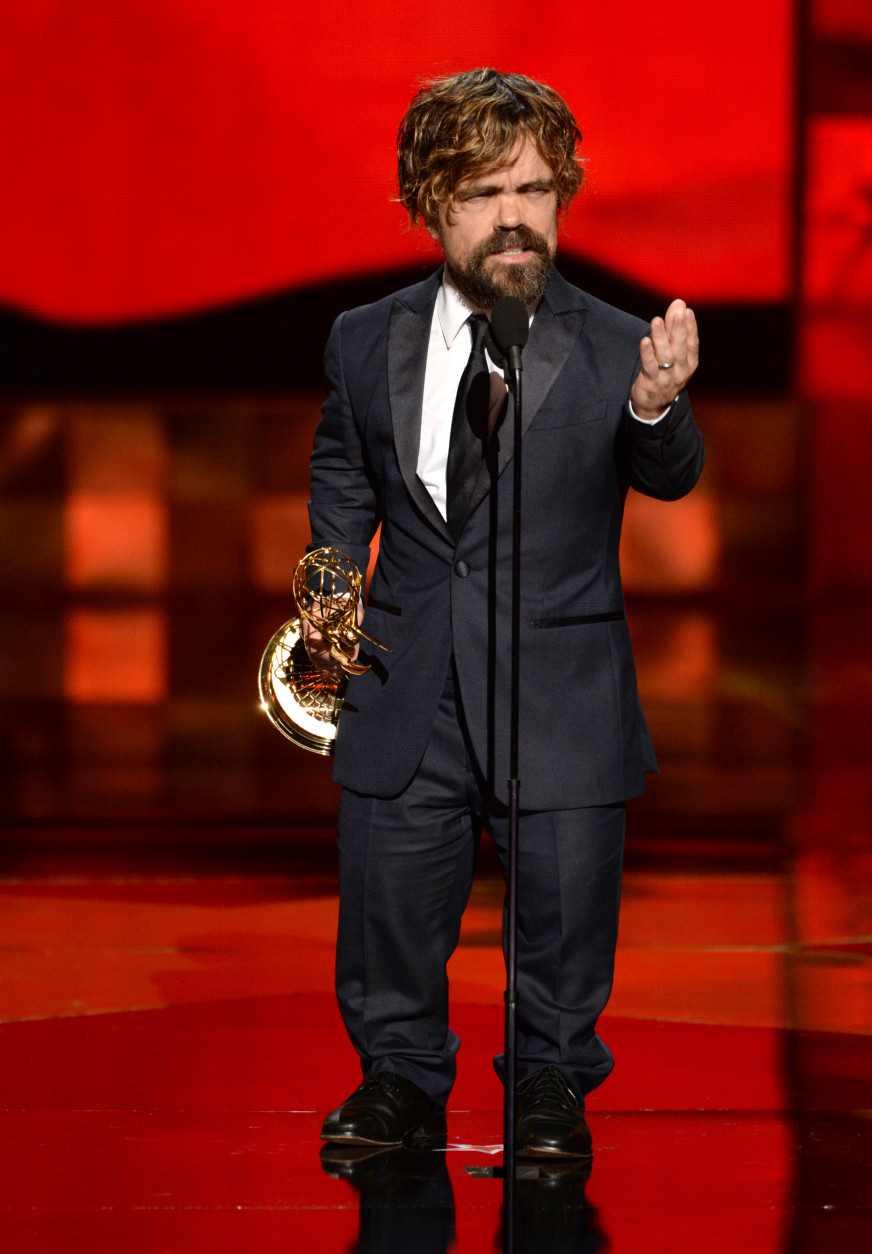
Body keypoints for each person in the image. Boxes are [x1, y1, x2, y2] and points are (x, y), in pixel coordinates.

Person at [303, 67, 704, 1158]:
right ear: (431, 206)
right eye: (483, 193)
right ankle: (397, 1081)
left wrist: (653, 408)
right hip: (407, 675)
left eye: (534, 189)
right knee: (390, 902)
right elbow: (343, 466)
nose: (514, 216)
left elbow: (668, 474)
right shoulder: (364, 337)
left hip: (558, 683)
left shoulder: (617, 343)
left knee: (564, 917)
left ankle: (549, 1087)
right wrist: (330, 582)